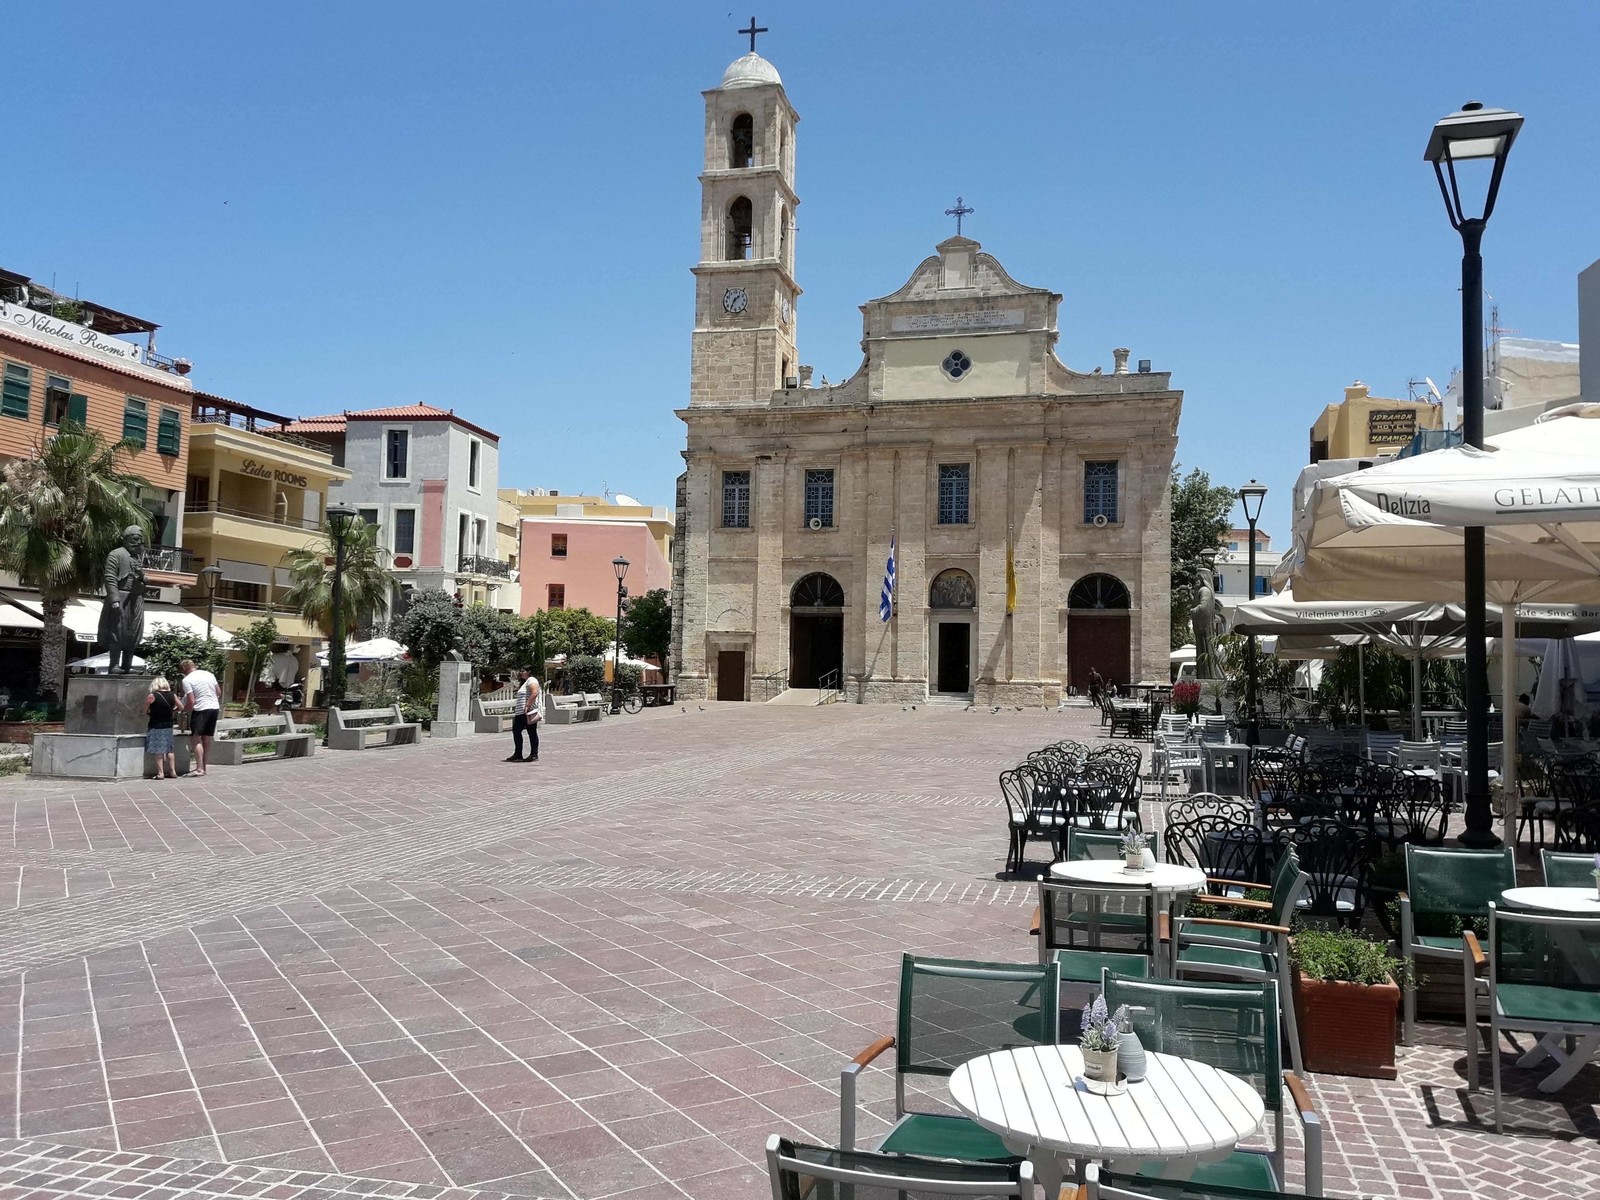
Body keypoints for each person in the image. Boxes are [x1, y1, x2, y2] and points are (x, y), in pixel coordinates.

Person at [180, 658, 223, 776]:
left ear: (184, 668)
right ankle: (204, 766)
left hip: (201, 709)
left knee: (195, 739)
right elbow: (218, 692)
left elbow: (191, 700)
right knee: (206, 738)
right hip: (214, 707)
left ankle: (199, 769)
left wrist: (184, 709)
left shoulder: (187, 680)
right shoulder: (209, 674)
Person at [144, 677, 179, 780]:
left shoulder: (152, 696)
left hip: (156, 725)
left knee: (158, 750)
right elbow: (181, 707)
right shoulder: (173, 695)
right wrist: (173, 711)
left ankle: (160, 773)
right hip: (168, 725)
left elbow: (144, 710)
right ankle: (173, 771)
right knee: (169, 749)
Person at [506, 667, 541, 762]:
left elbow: (534, 693)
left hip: (527, 712)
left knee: (531, 732)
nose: (521, 673)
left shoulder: (532, 680)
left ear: (529, 672)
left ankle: (534, 754)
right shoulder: (524, 683)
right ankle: (518, 753)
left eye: (523, 671)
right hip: (520, 713)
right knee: (516, 731)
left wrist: (527, 705)